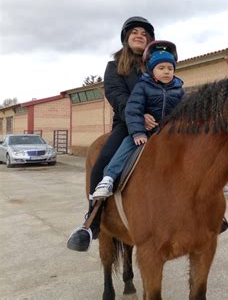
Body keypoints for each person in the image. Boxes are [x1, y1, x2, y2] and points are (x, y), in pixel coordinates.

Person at [67, 16, 161, 251]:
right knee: (101, 164)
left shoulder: (157, 67)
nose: (140, 35)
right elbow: (116, 95)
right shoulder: (114, 67)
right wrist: (138, 116)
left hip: (160, 123)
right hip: (127, 124)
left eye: (144, 33)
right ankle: (92, 221)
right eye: (134, 33)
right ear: (126, 39)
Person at [92, 45, 184, 198]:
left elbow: (185, 111)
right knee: (127, 145)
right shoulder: (143, 86)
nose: (167, 71)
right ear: (152, 70)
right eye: (161, 68)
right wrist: (138, 131)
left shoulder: (179, 90)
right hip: (145, 130)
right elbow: (133, 108)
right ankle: (108, 179)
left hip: (169, 132)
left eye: (170, 68)